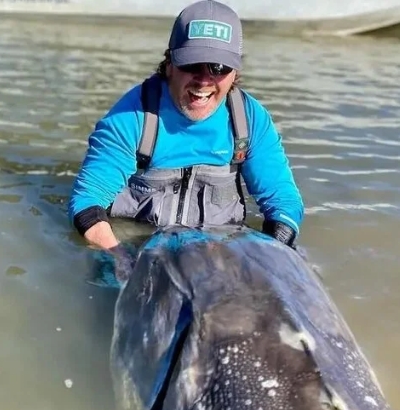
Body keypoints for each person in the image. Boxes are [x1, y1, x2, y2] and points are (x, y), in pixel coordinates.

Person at [68, 0, 304, 281]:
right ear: (169, 64)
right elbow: (87, 202)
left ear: (234, 73)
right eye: (191, 64)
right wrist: (120, 261)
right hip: (137, 245)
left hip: (218, 250)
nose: (204, 80)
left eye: (218, 67)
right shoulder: (130, 118)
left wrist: (268, 264)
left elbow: (284, 202)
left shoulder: (251, 120)